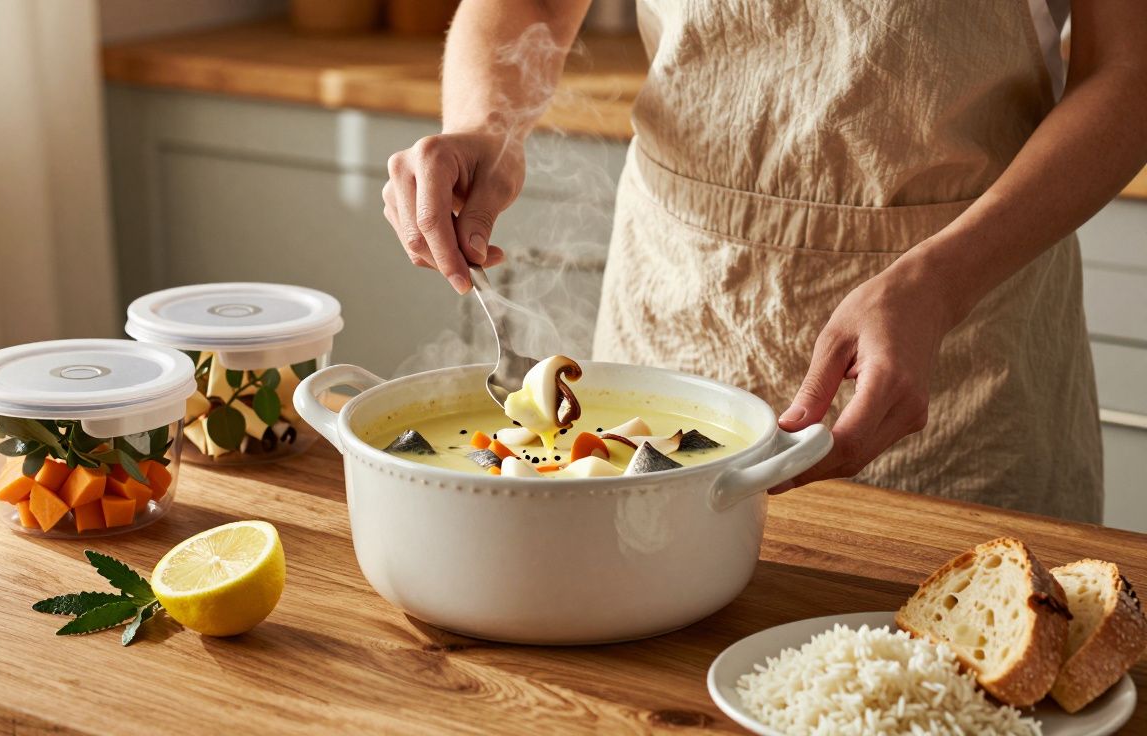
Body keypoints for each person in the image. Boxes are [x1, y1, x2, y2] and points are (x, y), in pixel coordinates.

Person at [380, 0, 1147, 521]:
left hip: (967, 340)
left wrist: (941, 283)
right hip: (681, 305)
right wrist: (487, 128)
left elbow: (1130, 73)